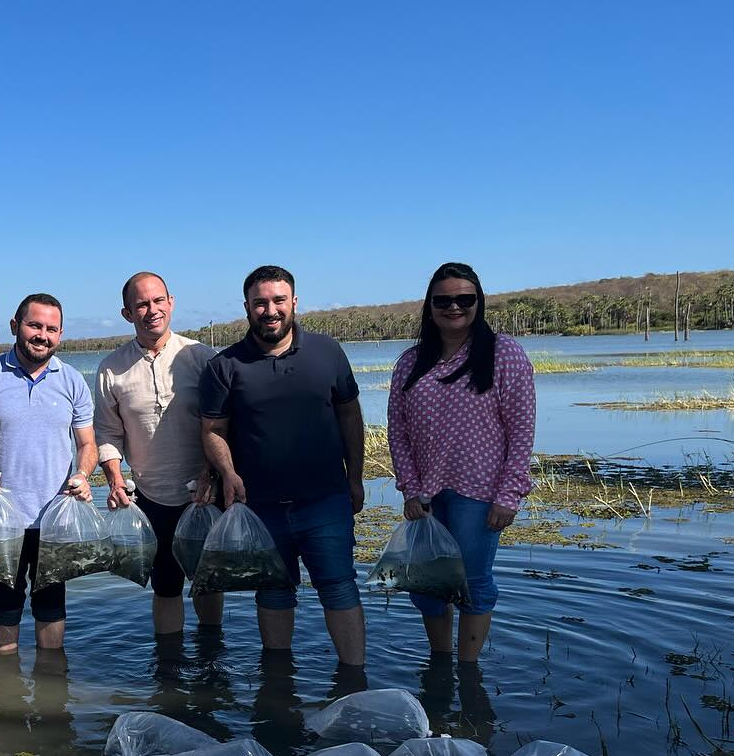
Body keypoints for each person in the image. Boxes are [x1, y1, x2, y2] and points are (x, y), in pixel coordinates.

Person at [199, 265, 367, 666]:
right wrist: (228, 473)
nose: (270, 310)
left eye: (278, 300)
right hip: (260, 506)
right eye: (260, 303)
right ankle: (278, 685)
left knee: (339, 587)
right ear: (247, 307)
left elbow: (350, 416)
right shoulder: (225, 366)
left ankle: (354, 679)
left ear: (293, 302)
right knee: (273, 591)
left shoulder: (327, 352)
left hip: (325, 500)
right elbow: (212, 430)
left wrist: (356, 478)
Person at [386, 261, 535, 661]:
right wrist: (410, 488)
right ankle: (440, 662)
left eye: (464, 299)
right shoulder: (410, 363)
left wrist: (510, 495)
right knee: (428, 586)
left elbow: (521, 431)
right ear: (430, 306)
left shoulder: (504, 354)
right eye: (444, 300)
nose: (454, 307)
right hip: (427, 497)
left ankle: (468, 671)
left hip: (481, 495)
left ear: (478, 303)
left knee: (472, 582)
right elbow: (397, 432)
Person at [0, 293, 97, 656]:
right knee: (4, 604)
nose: (42, 335)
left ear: (60, 334)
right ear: (15, 326)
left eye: (51, 329)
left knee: (52, 603)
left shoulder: (72, 380)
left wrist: (84, 474)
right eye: (34, 325)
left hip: (55, 518)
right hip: (2, 518)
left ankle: (52, 690)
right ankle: (6, 692)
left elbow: (87, 444)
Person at [93, 271, 222, 633]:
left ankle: (212, 654)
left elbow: (223, 425)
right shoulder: (111, 369)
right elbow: (107, 432)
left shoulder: (201, 357)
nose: (152, 310)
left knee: (209, 581)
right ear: (127, 314)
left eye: (158, 300)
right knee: (166, 587)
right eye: (142, 304)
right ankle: (168, 668)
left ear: (171, 302)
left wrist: (211, 475)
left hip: (204, 493)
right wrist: (116, 479)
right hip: (150, 496)